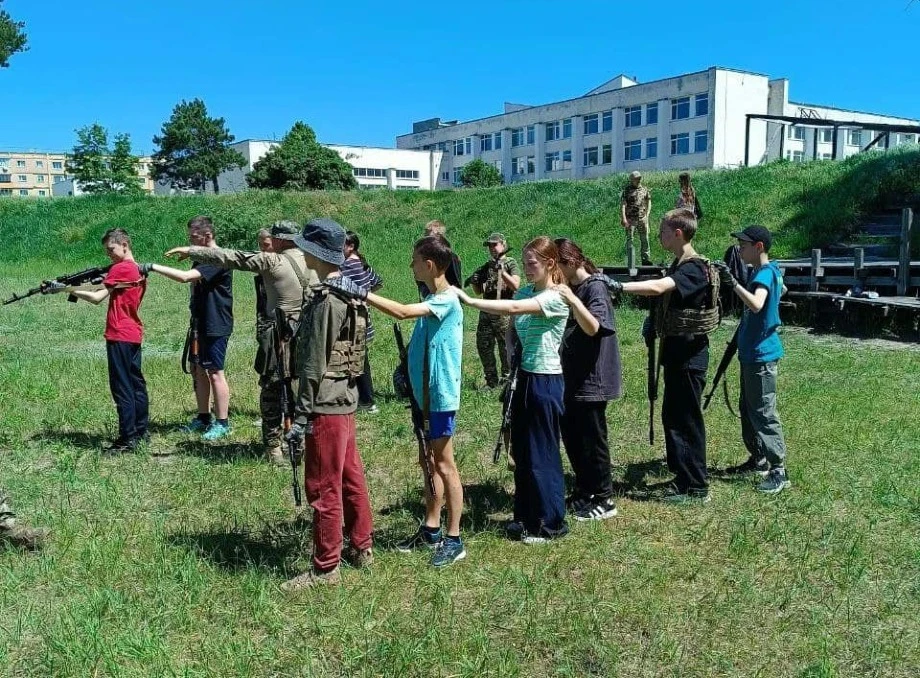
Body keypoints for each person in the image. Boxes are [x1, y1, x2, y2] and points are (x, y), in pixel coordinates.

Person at [330, 235, 467, 567]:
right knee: (429, 462)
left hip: (440, 398)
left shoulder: (445, 300)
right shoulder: (433, 296)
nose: (411, 265)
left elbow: (402, 312)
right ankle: (432, 527)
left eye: (415, 260)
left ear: (429, 265)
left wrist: (360, 290)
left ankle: (454, 538)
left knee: (446, 465)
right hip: (423, 396)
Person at [456, 237, 585, 543]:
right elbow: (514, 323)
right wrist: (514, 354)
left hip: (546, 380)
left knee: (543, 453)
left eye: (532, 263)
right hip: (524, 377)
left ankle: (551, 523)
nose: (526, 269)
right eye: (525, 262)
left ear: (550, 264)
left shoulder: (555, 297)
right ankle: (526, 518)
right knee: (523, 453)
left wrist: (470, 301)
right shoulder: (528, 290)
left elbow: (512, 306)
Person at [161, 221, 317, 464]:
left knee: (272, 393)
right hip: (310, 338)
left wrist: (192, 251)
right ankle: (303, 441)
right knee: (304, 391)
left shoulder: (273, 260)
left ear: (278, 240)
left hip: (279, 338)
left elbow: (232, 257)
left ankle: (273, 448)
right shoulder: (314, 261)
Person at [280, 218, 374, 591]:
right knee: (351, 476)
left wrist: (300, 419)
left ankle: (325, 567)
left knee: (323, 487)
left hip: (325, 405)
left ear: (313, 253)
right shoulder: (351, 291)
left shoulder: (326, 300)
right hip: (345, 399)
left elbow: (312, 365)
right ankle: (362, 546)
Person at [608, 208, 720, 504]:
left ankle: (696, 485)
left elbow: (659, 288)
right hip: (677, 352)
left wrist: (618, 285)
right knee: (673, 415)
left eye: (663, 230)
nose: (659, 235)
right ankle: (682, 475)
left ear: (678, 233)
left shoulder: (693, 267)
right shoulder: (679, 263)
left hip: (689, 355)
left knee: (687, 418)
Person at [715, 226, 790, 494]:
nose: (739, 249)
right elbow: (780, 291)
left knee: (763, 412)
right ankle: (758, 458)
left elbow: (757, 304)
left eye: (744, 245)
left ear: (758, 247)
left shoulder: (765, 274)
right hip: (752, 354)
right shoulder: (769, 272)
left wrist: (732, 282)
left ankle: (779, 469)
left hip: (761, 355)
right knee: (748, 409)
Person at [554, 238, 622, 521]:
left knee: (593, 439)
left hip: (593, 378)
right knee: (572, 436)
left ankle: (605, 498)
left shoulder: (594, 287)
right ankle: (584, 490)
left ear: (569, 263)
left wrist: (571, 300)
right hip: (571, 376)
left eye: (555, 265)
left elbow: (595, 327)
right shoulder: (573, 287)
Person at [148, 216, 233, 442]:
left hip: (216, 322)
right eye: (189, 239)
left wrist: (153, 267)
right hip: (200, 320)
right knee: (198, 369)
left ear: (208, 236)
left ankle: (223, 423)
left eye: (194, 238)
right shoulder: (202, 256)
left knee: (215, 372)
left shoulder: (216, 258)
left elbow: (186, 278)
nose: (191, 243)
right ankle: (203, 417)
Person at [68, 227, 149, 452]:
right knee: (136, 385)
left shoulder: (121, 268)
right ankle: (141, 432)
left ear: (124, 244)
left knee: (122, 387)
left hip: (119, 332)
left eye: (111, 249)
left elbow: (96, 297)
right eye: (107, 251)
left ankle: (127, 439)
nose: (109, 254)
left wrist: (67, 289)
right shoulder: (137, 269)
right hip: (133, 332)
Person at [466, 233, 520, 388]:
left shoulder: (510, 263)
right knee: (483, 345)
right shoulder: (487, 266)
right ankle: (491, 381)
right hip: (486, 311)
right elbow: (478, 292)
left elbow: (516, 285)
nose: (492, 248)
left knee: (505, 345)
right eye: (489, 246)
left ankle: (507, 380)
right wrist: (475, 282)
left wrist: (502, 271)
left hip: (504, 311)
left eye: (494, 245)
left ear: (503, 245)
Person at [341, 231, 384, 414]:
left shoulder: (347, 266)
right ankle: (364, 399)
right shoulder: (362, 263)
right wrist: (367, 297)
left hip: (354, 321)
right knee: (360, 359)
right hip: (363, 319)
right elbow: (378, 282)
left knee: (357, 361)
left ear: (351, 246)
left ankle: (366, 400)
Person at [417, 220, 463, 296]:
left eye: (429, 235)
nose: (425, 238)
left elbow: (455, 282)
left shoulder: (450, 257)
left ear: (439, 237)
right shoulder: (424, 256)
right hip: (428, 297)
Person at [620, 170, 653, 266]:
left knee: (645, 239)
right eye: (636, 179)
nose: (638, 180)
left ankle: (645, 260)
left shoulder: (644, 189)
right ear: (631, 180)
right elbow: (623, 205)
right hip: (630, 220)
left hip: (642, 218)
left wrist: (647, 214)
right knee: (630, 240)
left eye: (639, 178)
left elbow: (649, 201)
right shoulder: (626, 190)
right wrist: (624, 218)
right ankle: (631, 261)